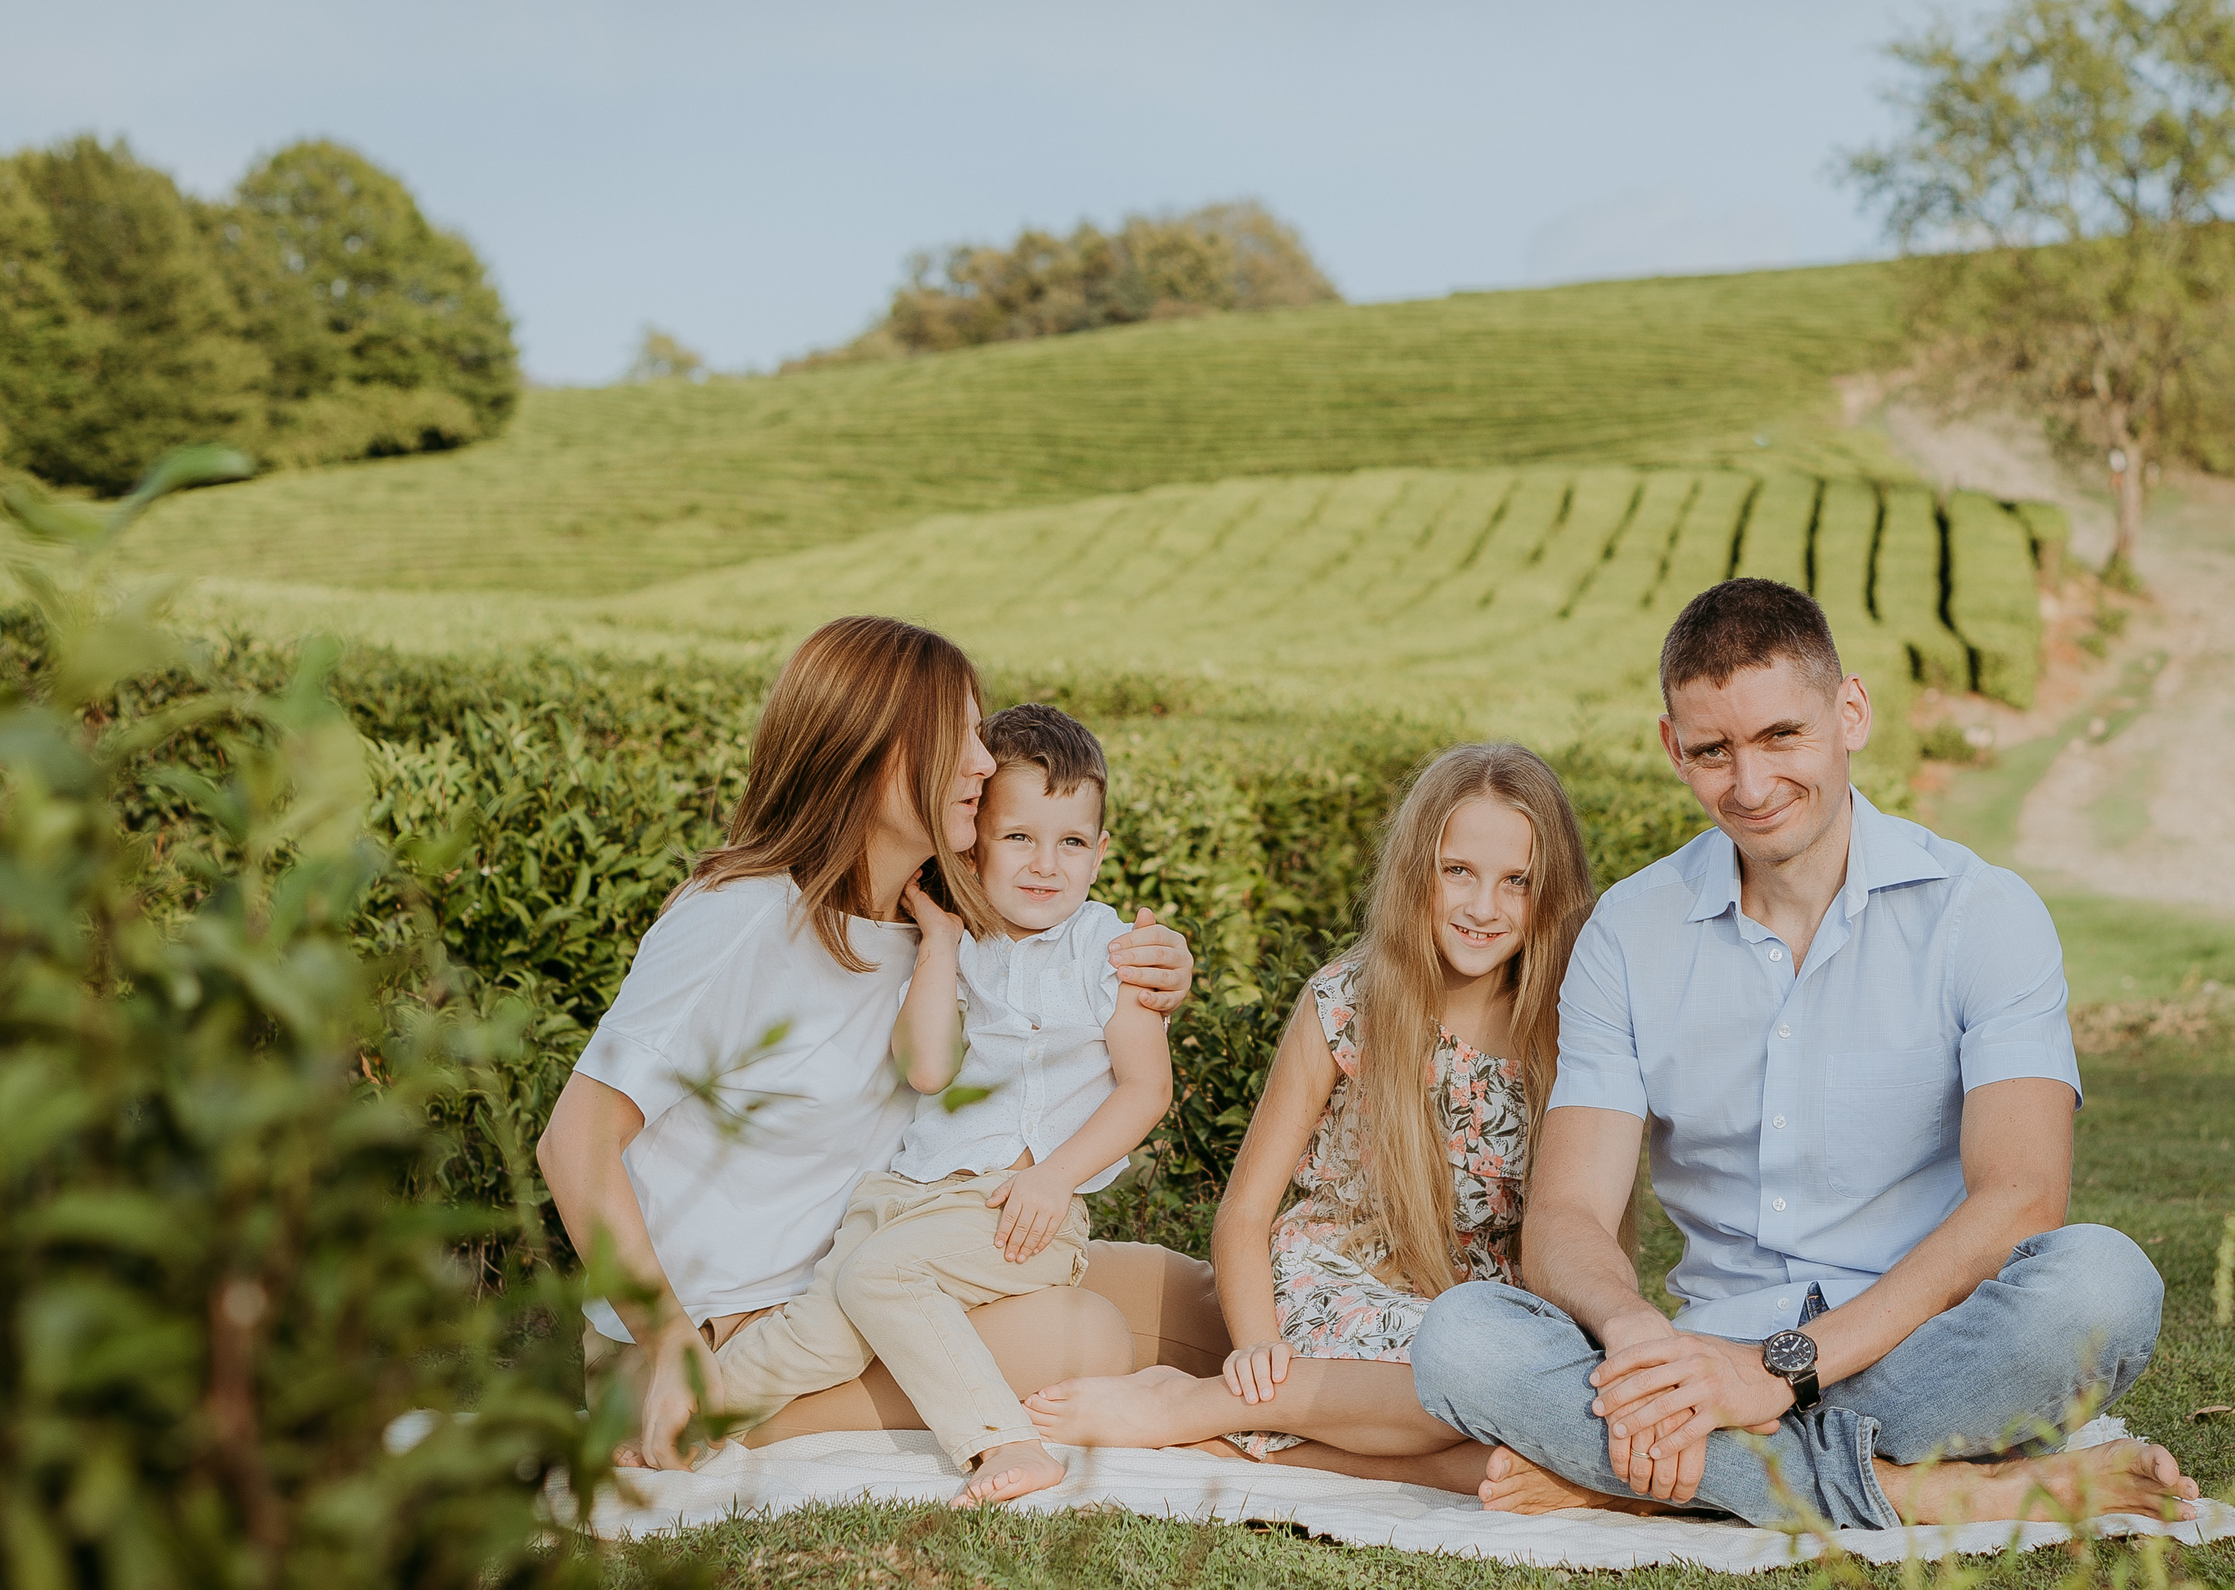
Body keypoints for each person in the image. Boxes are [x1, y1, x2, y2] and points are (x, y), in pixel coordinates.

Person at [1407, 578, 2199, 1529]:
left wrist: (1779, 1373)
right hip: (1710, 1360)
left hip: (1923, 1352)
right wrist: (1639, 1338)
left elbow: (2023, 1196)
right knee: (1460, 1338)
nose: (1749, 786)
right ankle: (1933, 1489)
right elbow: (1567, 1213)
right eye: (1713, 750)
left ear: (1850, 711)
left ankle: (1661, 1476)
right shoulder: (1627, 931)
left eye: (1781, 735)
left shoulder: (1982, 912)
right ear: (1673, 748)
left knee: (2104, 1284)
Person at [534, 616, 1224, 1472]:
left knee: (1196, 1302)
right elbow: (574, 1142)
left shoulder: (941, 920)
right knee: (1086, 1338)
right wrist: (670, 1341)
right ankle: (711, 1417)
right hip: (729, 1332)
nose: (984, 761)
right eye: (957, 736)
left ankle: (1353, 1413)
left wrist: (1155, 966)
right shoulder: (739, 918)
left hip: (897, 1249)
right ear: (871, 756)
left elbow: (1060, 975)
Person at [1026, 743, 1596, 1495]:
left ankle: (1235, 1435)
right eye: (1457, 871)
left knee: (1506, 1419)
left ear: (1549, 891)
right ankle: (1207, 1405)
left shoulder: (1568, 1028)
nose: (1483, 907)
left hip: (1482, 1319)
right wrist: (1256, 1354)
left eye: (1515, 881)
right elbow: (1244, 1213)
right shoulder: (1349, 1001)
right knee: (1465, 1390)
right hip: (1338, 1289)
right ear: (1416, 871)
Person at [711, 703, 1174, 1505]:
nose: (1046, 864)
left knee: (879, 1276)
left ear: (1101, 853)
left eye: (1071, 842)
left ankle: (1005, 1443)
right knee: (821, 1332)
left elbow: (1147, 1087)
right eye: (1019, 836)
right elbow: (926, 1068)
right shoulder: (960, 946)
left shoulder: (1112, 952)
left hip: (1019, 1208)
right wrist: (941, 942)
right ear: (974, 843)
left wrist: (1053, 1176)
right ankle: (681, 1416)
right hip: (904, 1195)